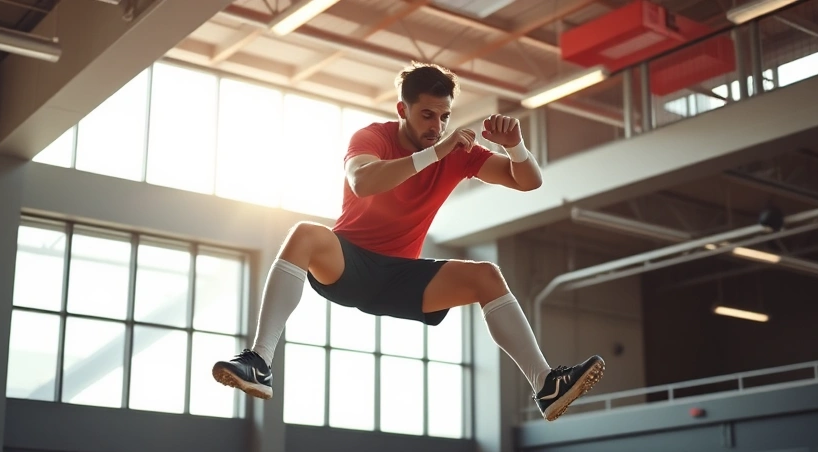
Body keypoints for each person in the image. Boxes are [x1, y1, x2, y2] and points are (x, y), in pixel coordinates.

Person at [212, 62, 604, 422]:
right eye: (427, 115)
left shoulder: (458, 154)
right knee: (305, 234)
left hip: (401, 278)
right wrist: (435, 153)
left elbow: (528, 181)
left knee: (486, 275)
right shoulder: (373, 137)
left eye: (445, 116)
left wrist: (515, 146)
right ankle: (259, 361)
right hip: (350, 265)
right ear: (403, 110)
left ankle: (546, 385)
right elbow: (364, 181)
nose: (437, 125)